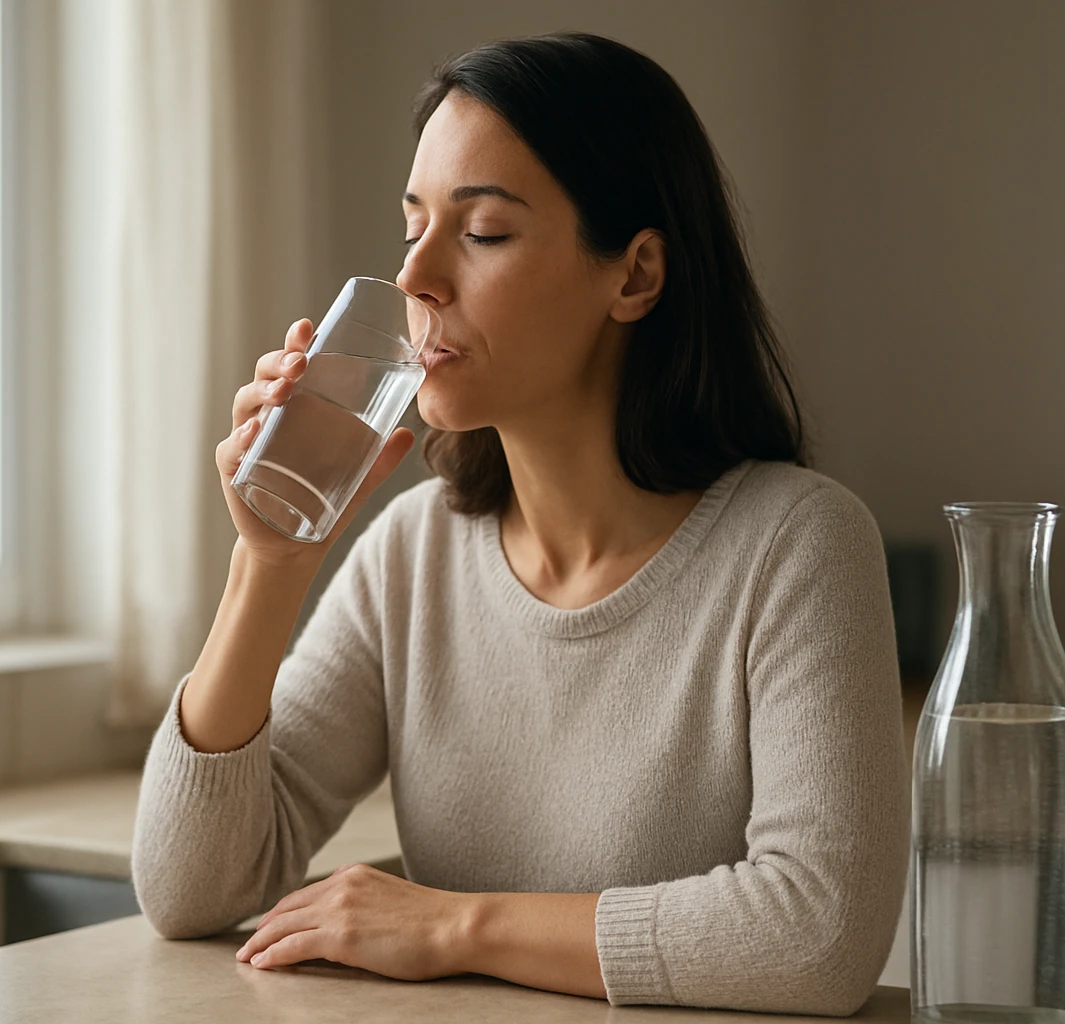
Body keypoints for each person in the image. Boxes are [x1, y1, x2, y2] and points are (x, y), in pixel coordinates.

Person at [131, 31, 908, 1015]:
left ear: (634, 276)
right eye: (410, 227)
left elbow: (816, 935)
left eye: (484, 232)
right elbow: (187, 887)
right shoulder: (415, 553)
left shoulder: (797, 545)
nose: (417, 278)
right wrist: (269, 559)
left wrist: (452, 925)